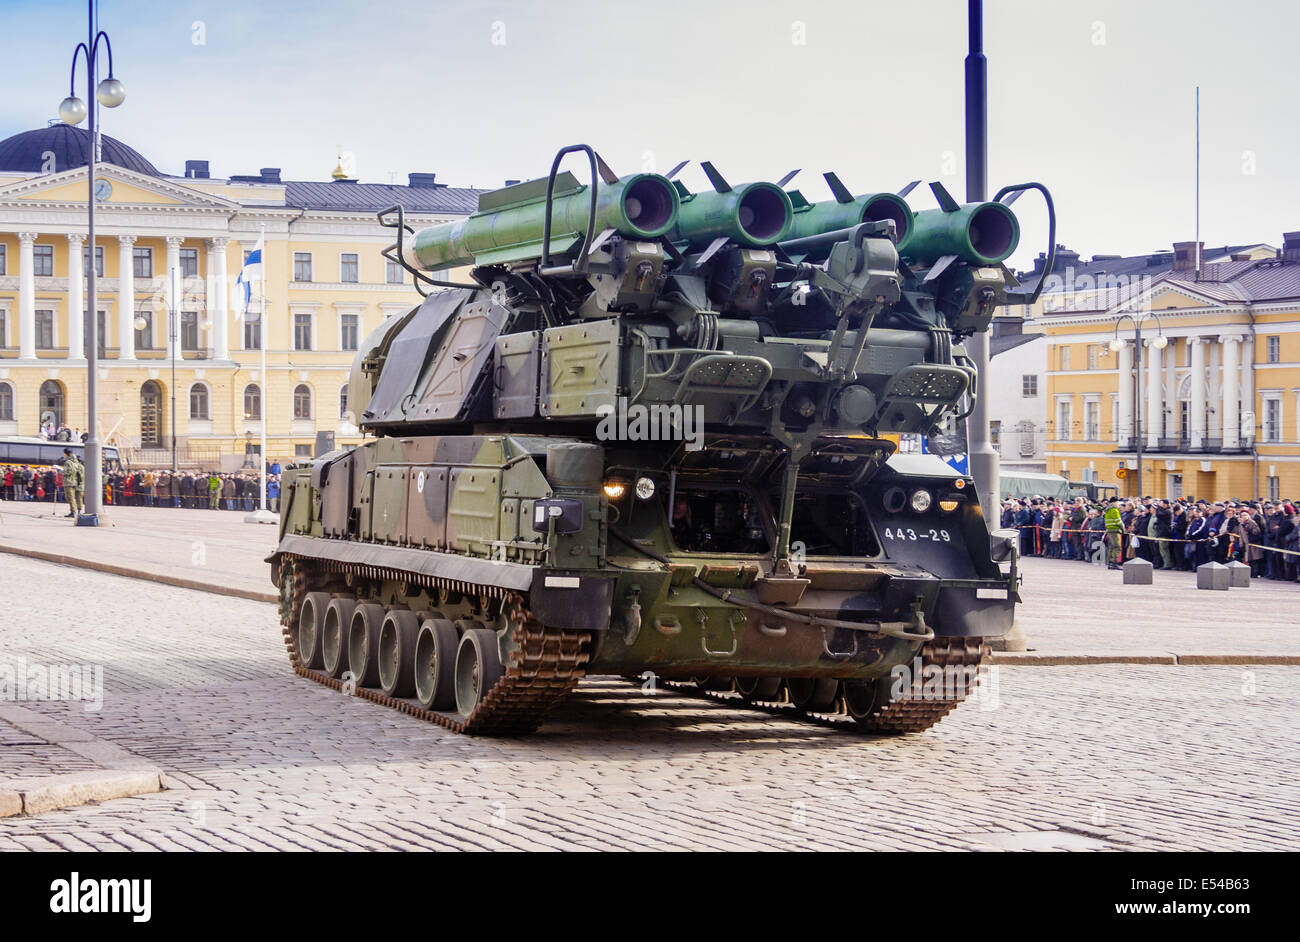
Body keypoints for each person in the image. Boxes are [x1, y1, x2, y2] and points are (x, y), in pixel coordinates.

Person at [59, 447, 84, 519]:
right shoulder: (75, 462)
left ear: (65, 454)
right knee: (73, 497)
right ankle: (75, 511)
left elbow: (70, 471)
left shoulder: (68, 462)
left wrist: (61, 471)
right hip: (74, 482)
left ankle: (73, 512)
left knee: (70, 497)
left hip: (69, 482)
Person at [1103, 497, 1124, 568]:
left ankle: (1110, 562)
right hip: (1115, 530)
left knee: (1111, 547)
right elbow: (1118, 522)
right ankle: (1114, 563)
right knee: (1117, 547)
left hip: (1110, 530)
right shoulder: (1114, 510)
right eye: (1117, 503)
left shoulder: (1107, 510)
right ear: (1113, 503)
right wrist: (1123, 529)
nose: (1118, 505)